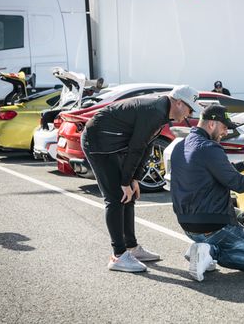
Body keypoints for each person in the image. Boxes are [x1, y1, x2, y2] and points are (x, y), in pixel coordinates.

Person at [81, 85, 202, 273]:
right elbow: (136, 148)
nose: (189, 115)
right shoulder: (154, 111)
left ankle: (131, 248)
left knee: (130, 196)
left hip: (114, 143)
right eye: (190, 109)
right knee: (116, 198)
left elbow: (147, 146)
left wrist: (134, 179)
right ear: (179, 102)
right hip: (98, 142)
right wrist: (124, 182)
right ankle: (118, 255)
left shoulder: (162, 112)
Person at [170, 104, 244, 281]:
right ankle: (209, 251)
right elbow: (238, 184)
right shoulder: (210, 148)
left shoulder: (180, 146)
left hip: (187, 224)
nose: (225, 132)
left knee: (240, 217)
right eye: (224, 127)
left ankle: (201, 249)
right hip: (212, 225)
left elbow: (214, 172)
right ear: (212, 124)